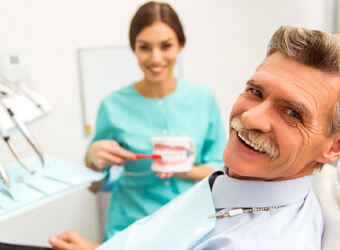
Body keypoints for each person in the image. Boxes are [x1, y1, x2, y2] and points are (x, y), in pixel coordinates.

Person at [49, 25, 340, 249]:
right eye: (255, 91)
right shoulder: (239, 181)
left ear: (333, 146)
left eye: (292, 113)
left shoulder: (249, 238)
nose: (250, 118)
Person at [82, 1, 226, 242]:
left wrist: (185, 170)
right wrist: (92, 162)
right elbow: (95, 186)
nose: (155, 58)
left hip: (191, 228)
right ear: (134, 49)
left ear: (180, 45)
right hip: (130, 231)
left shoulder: (203, 99)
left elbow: (222, 170)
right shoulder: (112, 105)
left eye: (166, 46)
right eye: (145, 47)